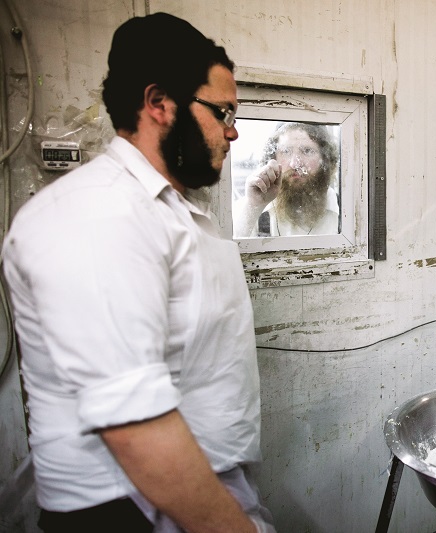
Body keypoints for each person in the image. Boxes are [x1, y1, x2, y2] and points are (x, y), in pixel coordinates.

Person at [1, 13, 276, 533]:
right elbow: (133, 427)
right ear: (158, 103)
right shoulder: (96, 215)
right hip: (131, 510)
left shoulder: (175, 209)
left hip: (190, 489)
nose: (233, 131)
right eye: (222, 112)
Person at [232, 122, 340, 237]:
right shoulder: (248, 207)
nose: (294, 164)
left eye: (307, 151)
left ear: (326, 159)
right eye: (286, 151)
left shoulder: (346, 210)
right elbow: (229, 249)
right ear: (274, 158)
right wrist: (253, 206)